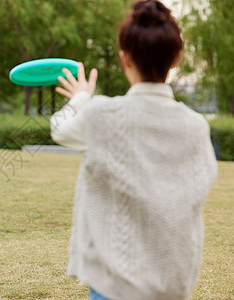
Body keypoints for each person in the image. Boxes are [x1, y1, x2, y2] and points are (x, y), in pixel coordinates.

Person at [50, 1, 218, 299]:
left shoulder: (103, 115)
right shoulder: (195, 126)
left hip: (112, 282)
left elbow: (59, 128)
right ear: (177, 58)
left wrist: (80, 99)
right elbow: (202, 184)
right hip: (172, 281)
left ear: (124, 57)